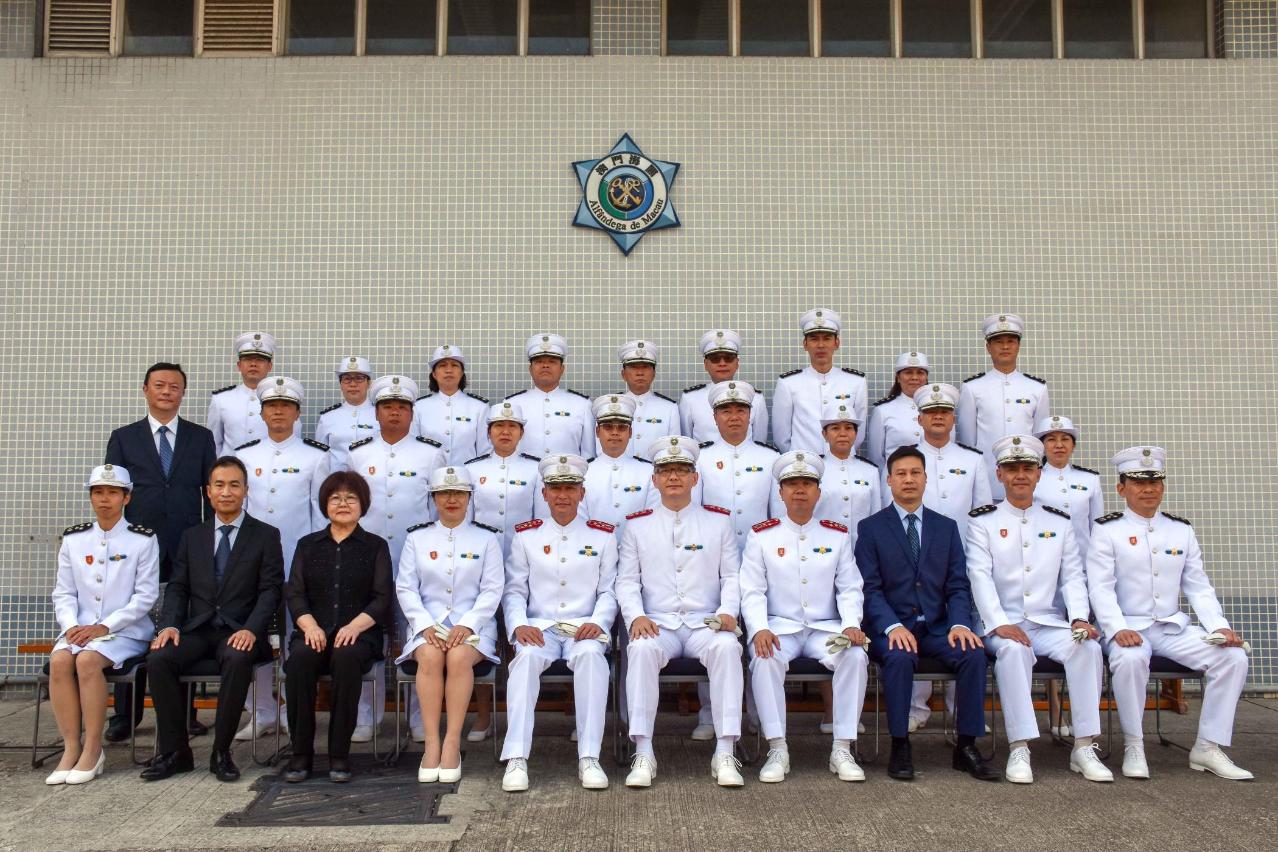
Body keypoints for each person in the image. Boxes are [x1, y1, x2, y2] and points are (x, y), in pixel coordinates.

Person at [1088, 446, 1252, 781]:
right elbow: (1100, 587)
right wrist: (1116, 628)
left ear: (1162, 486)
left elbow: (1198, 586)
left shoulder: (1181, 530)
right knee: (1131, 658)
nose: (1148, 488)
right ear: (1121, 489)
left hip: (1170, 627)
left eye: (1154, 481)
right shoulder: (1107, 530)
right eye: (1138, 482)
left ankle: (1207, 747)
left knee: (1233, 658)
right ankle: (1134, 745)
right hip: (1126, 626)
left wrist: (1219, 627)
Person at [964, 435, 1111, 784]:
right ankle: (1020, 746)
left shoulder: (1059, 522)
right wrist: (998, 622)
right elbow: (979, 576)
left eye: (1027, 468)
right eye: (1012, 468)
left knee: (1087, 648)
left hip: (1047, 622)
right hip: (1003, 623)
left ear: (1038, 474)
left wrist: (1078, 617)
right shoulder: (982, 521)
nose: (1020, 475)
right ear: (999, 474)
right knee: (1013, 651)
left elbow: (1073, 576)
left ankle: (1084, 746)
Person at [855, 446, 998, 783]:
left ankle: (966, 746)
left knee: (973, 653)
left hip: (936, 627)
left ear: (925, 478)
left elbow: (958, 584)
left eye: (915, 473)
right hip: (891, 628)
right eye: (901, 474)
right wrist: (891, 626)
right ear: (889, 480)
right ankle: (900, 744)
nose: (909, 480)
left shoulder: (945, 528)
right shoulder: (871, 528)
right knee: (899, 656)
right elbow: (869, 588)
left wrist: (960, 623)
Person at [141, 456, 284, 783]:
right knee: (159, 658)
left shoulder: (265, 535)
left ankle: (221, 752)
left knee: (236, 657)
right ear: (208, 491)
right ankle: (176, 752)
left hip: (240, 632)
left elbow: (271, 590)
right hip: (198, 630)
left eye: (234, 485)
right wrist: (169, 625)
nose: (226, 492)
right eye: (219, 485)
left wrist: (252, 629)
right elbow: (178, 587)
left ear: (246, 490)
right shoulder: (193, 536)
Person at [616, 436, 745, 789]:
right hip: (659, 624)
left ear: (694, 478)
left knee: (728, 647)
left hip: (706, 623)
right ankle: (644, 750)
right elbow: (626, 581)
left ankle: (725, 750)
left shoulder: (718, 523)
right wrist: (636, 617)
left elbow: (732, 576)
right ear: (654, 479)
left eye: (682, 470)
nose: (674, 476)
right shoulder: (637, 525)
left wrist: (728, 611)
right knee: (640, 649)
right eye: (666, 470)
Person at [740, 451, 868, 784]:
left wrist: (851, 624)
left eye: (807, 484)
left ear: (818, 492)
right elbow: (752, 589)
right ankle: (777, 747)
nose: (800, 490)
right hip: (779, 627)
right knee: (764, 657)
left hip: (824, 629)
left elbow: (850, 587)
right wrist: (759, 628)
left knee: (855, 655)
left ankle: (842, 747)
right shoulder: (762, 535)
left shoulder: (836, 535)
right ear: (780, 493)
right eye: (792, 484)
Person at [104, 361, 215, 741]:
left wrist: (208, 542)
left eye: (174, 386)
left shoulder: (200, 437)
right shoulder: (124, 437)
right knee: (131, 624)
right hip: (138, 545)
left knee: (181, 626)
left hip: (186, 544)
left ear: (183, 393)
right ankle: (125, 715)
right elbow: (114, 491)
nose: (167, 392)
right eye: (160, 385)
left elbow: (210, 494)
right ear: (146, 389)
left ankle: (184, 713)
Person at [500, 454, 618, 792]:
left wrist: (599, 622)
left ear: (582, 493)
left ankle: (589, 757)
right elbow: (515, 590)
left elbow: (609, 591)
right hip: (541, 628)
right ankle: (517, 758)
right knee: (525, 660)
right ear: (544, 493)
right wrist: (518, 625)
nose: (562, 495)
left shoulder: (603, 536)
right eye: (555, 488)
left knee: (592, 658)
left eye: (570, 488)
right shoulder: (526, 536)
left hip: (584, 627)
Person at [46, 465, 159, 786]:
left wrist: (105, 626)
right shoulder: (74, 539)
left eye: (112, 492)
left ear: (127, 497)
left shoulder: (142, 540)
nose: (104, 499)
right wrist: (71, 626)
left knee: (87, 661)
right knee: (59, 660)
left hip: (126, 632)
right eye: (98, 492)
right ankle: (71, 746)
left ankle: (93, 749)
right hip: (79, 629)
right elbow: (64, 592)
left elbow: (145, 597)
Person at [232, 377, 330, 741]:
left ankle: (292, 708)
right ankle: (260, 711)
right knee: (252, 633)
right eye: (271, 406)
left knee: (294, 634)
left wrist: (316, 561)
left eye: (286, 406)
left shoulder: (315, 457)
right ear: (261, 413)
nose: (278, 412)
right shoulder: (244, 456)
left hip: (296, 558)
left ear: (297, 413)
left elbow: (320, 514)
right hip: (253, 562)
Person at [283, 471, 393, 783]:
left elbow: (382, 598)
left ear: (363, 504)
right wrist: (309, 626)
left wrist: (355, 627)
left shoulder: (375, 546)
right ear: (324, 504)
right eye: (335, 498)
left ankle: (339, 754)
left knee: (346, 657)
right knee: (300, 660)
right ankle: (300, 753)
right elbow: (295, 593)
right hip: (313, 632)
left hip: (360, 636)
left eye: (351, 498)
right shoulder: (308, 545)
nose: (343, 504)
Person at [396, 465, 503, 784]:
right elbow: (406, 587)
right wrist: (424, 625)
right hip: (427, 625)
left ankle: (452, 743)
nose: (452, 499)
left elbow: (492, 589)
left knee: (458, 657)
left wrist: (468, 625)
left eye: (459, 493)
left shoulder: (486, 539)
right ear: (434, 498)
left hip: (473, 626)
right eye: (444, 493)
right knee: (430, 656)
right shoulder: (417, 538)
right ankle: (432, 743)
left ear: (470, 498)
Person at [691, 379, 780, 738]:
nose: (733, 416)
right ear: (714, 416)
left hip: (760, 561)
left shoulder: (770, 458)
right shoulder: (700, 458)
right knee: (714, 632)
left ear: (751, 414)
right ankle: (709, 715)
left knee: (760, 634)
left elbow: (777, 516)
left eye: (740, 409)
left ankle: (758, 714)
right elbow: (695, 515)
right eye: (725, 410)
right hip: (713, 562)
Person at [904, 383, 991, 732]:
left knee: (961, 627)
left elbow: (982, 512)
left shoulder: (972, 460)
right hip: (914, 558)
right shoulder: (906, 459)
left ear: (954, 418)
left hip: (961, 558)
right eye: (931, 412)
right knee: (915, 623)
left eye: (944, 412)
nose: (938, 417)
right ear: (920, 418)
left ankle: (960, 711)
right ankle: (916, 707)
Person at [346, 375, 445, 564]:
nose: (394, 412)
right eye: (387, 407)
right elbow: (352, 502)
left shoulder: (431, 454)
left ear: (412, 414)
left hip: (416, 548)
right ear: (376, 413)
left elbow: (436, 506)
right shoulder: (358, 453)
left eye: (402, 407)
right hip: (366, 547)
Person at [956, 314, 1050, 500]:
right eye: (998, 342)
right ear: (988, 347)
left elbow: (1041, 441)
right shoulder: (972, 387)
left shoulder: (1037, 388)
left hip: (1025, 483)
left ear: (1018, 345)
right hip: (987, 481)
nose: (1005, 347)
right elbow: (968, 443)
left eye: (1010, 341)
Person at [771, 308, 867, 455]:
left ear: (837, 343)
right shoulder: (788, 383)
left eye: (827, 338)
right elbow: (781, 435)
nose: (821, 345)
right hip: (804, 463)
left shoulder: (856, 381)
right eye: (814, 339)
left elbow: (858, 431)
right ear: (805, 344)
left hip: (843, 462)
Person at [207, 332, 299, 456]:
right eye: (248, 359)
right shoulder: (221, 399)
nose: (253, 364)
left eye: (260, 360)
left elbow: (292, 440)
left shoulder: (285, 400)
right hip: (231, 466)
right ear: (239, 365)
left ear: (270, 366)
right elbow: (214, 443)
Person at [507, 333, 595, 458]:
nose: (545, 365)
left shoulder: (582, 404)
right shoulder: (512, 403)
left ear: (562, 369)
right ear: (530, 369)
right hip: (523, 471)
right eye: (539, 361)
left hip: (567, 470)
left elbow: (589, 453)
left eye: (552, 362)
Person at [583, 394, 658, 532]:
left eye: (622, 428)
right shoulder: (583, 472)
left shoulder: (648, 472)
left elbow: (652, 519)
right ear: (597, 431)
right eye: (608, 427)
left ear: (630, 432)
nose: (615, 433)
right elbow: (581, 521)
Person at [678, 329, 768, 444]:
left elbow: (759, 443)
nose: (722, 363)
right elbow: (686, 441)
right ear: (706, 364)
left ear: (737, 363)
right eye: (715, 359)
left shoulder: (756, 398)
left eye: (728, 358)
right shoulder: (690, 398)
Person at [1032, 415, 1104, 556]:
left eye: (1065, 439)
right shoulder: (1032, 478)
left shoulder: (1090, 479)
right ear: (1042, 446)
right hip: (1044, 557)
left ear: (1073, 446)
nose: (1059, 445)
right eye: (1051, 439)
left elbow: (1097, 528)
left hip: (1082, 557)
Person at [814, 401, 883, 541]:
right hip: (823, 546)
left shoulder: (870, 471)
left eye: (848, 428)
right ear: (824, 434)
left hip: (861, 547)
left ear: (856, 433)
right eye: (835, 428)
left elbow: (876, 516)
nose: (843, 434)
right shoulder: (814, 469)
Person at [413, 345, 491, 465]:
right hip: (430, 474)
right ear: (434, 374)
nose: (449, 370)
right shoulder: (418, 407)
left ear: (462, 373)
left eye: (454, 365)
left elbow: (485, 451)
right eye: (442, 365)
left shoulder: (479, 407)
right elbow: (414, 447)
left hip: (467, 474)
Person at [864, 351, 932, 466]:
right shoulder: (883, 410)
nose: (914, 377)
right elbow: (876, 458)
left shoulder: (939, 410)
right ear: (898, 378)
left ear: (926, 378)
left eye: (920, 372)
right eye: (908, 372)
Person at [615, 339, 680, 459]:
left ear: (654, 373)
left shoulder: (669, 408)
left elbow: (673, 451)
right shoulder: (609, 407)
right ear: (623, 374)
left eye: (645, 367)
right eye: (633, 367)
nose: (640, 372)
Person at [314, 356, 377, 472]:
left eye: (359, 378)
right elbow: (320, 456)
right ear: (341, 384)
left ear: (369, 383)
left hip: (371, 478)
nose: (353, 384)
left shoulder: (380, 414)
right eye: (347, 379)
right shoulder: (328, 417)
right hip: (336, 480)